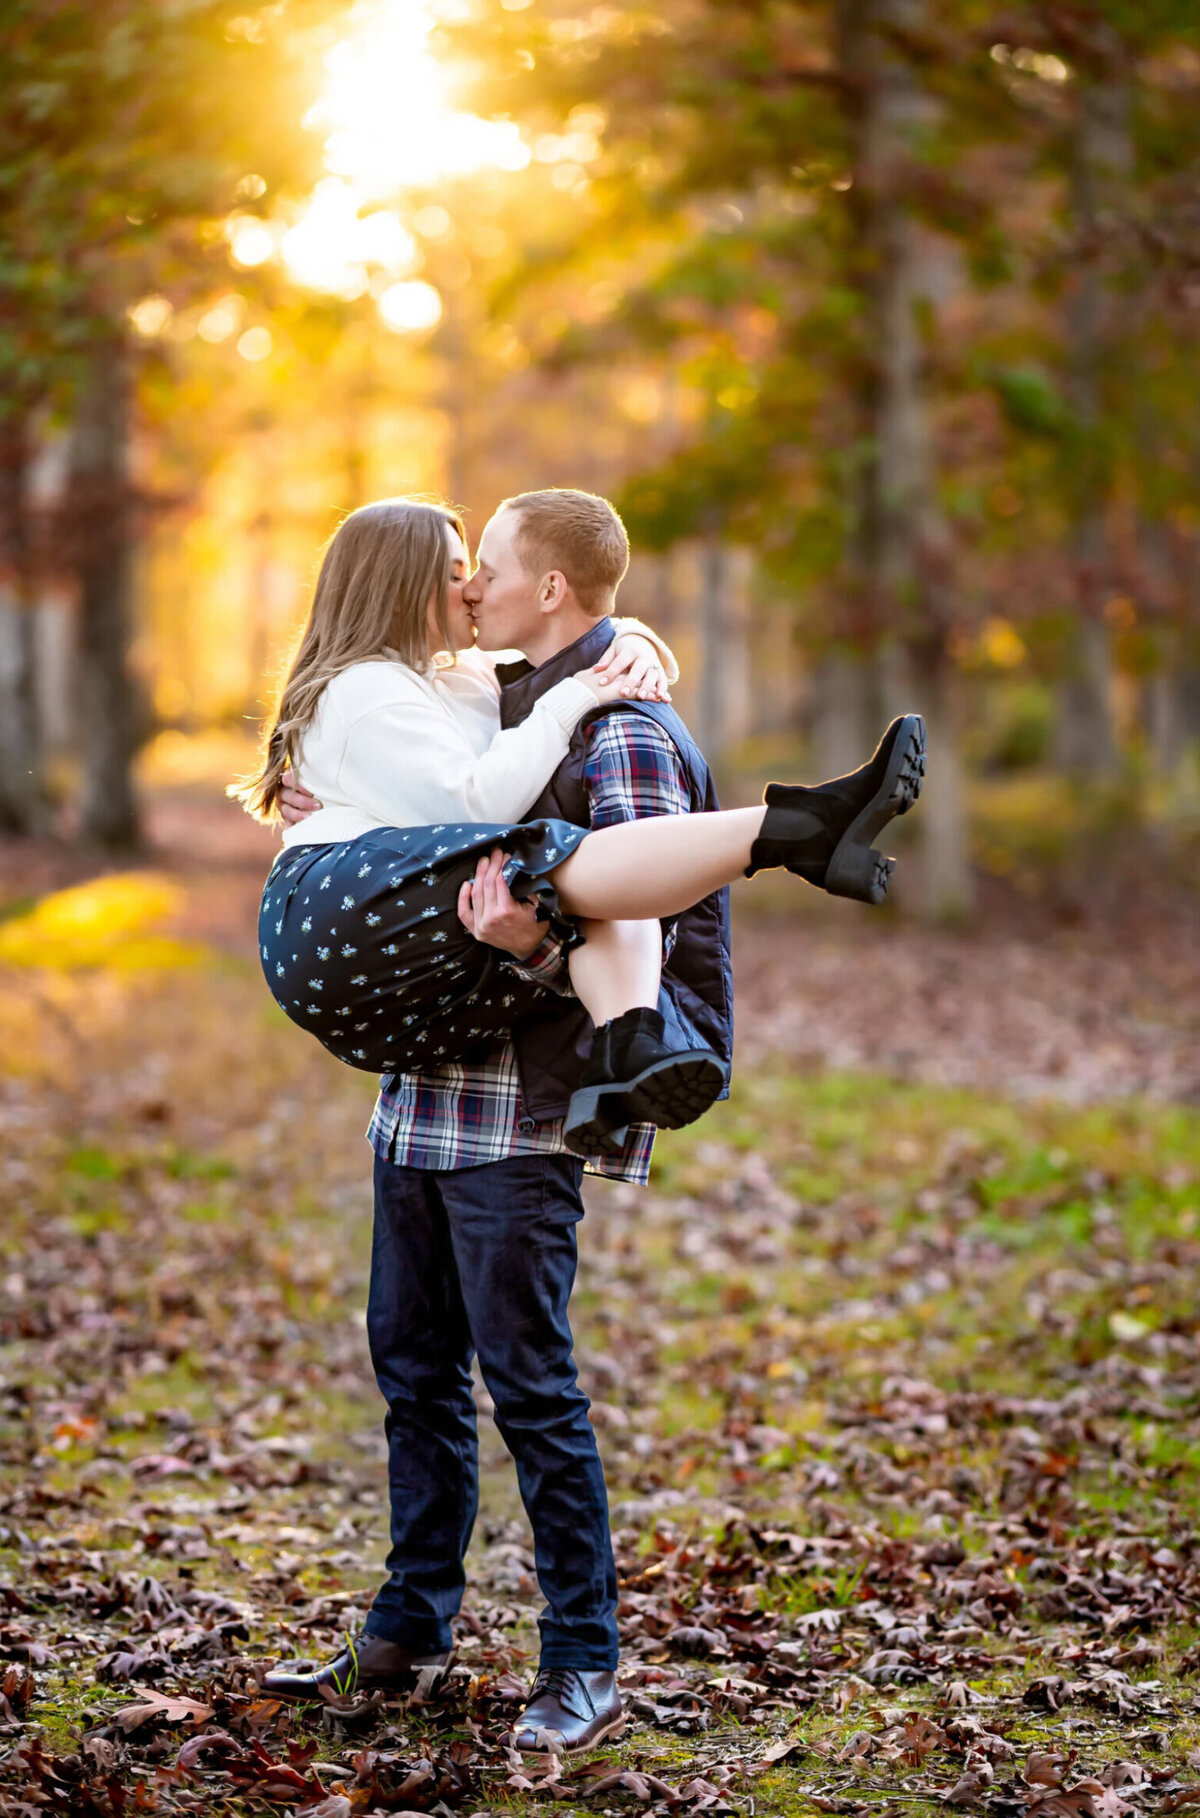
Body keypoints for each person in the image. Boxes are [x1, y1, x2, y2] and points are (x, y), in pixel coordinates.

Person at [248, 488, 925, 1752]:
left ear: (544, 588)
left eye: (485, 569)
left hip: (518, 1120)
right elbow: (430, 808)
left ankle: (583, 1662)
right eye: (457, 572)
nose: (468, 592)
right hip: (421, 1107)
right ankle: (410, 1627)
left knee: (531, 1389)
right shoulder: (496, 693)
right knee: (413, 1376)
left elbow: (633, 922)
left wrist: (528, 950)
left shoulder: (622, 730)